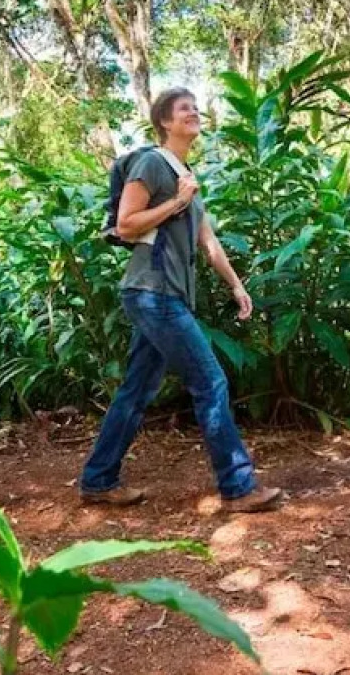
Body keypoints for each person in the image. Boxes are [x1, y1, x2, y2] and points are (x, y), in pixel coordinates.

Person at [80, 87, 284, 512]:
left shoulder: (187, 176)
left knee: (137, 390)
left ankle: (98, 480)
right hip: (152, 292)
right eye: (183, 109)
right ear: (164, 122)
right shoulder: (152, 164)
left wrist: (236, 286)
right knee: (210, 381)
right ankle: (238, 487)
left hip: (165, 294)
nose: (194, 113)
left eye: (195, 107)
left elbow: (208, 242)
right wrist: (177, 201)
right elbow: (126, 225)